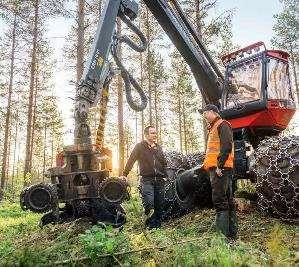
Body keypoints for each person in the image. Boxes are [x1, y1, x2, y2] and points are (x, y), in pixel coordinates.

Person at [199, 104, 238, 240]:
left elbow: (226, 146)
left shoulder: (222, 125)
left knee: (220, 201)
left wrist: (219, 166)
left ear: (213, 112)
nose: (204, 116)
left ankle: (222, 238)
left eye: (205, 113)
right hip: (219, 168)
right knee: (227, 200)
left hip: (220, 169)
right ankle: (231, 235)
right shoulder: (214, 127)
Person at [122, 125, 167, 229]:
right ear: (146, 135)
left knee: (159, 204)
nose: (155, 135)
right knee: (149, 203)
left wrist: (165, 176)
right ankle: (150, 225)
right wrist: (125, 174)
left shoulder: (159, 147)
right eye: (152, 133)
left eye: (155, 133)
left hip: (160, 180)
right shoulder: (139, 146)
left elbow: (164, 163)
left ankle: (158, 226)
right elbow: (131, 160)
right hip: (147, 180)